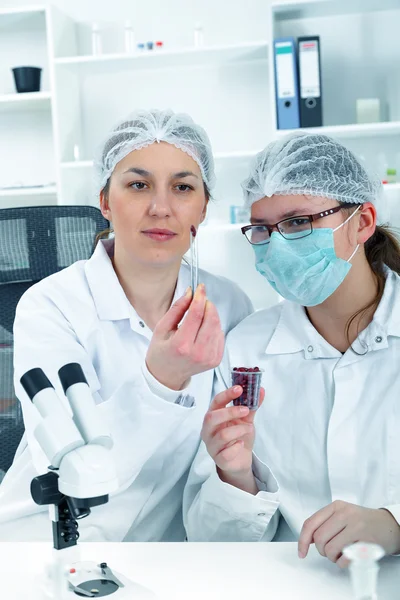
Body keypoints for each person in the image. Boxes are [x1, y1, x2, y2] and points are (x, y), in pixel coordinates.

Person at [0, 109, 253, 542]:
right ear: (105, 201)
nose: (161, 207)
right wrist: (161, 382)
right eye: (138, 185)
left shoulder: (229, 305)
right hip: (52, 544)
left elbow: (223, 465)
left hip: (175, 556)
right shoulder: (50, 305)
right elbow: (73, 463)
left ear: (204, 206)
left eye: (183, 187)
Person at [184, 132, 400, 566]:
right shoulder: (245, 349)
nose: (276, 244)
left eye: (299, 222)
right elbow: (211, 544)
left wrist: (394, 526)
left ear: (362, 221)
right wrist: (237, 476)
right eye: (262, 228)